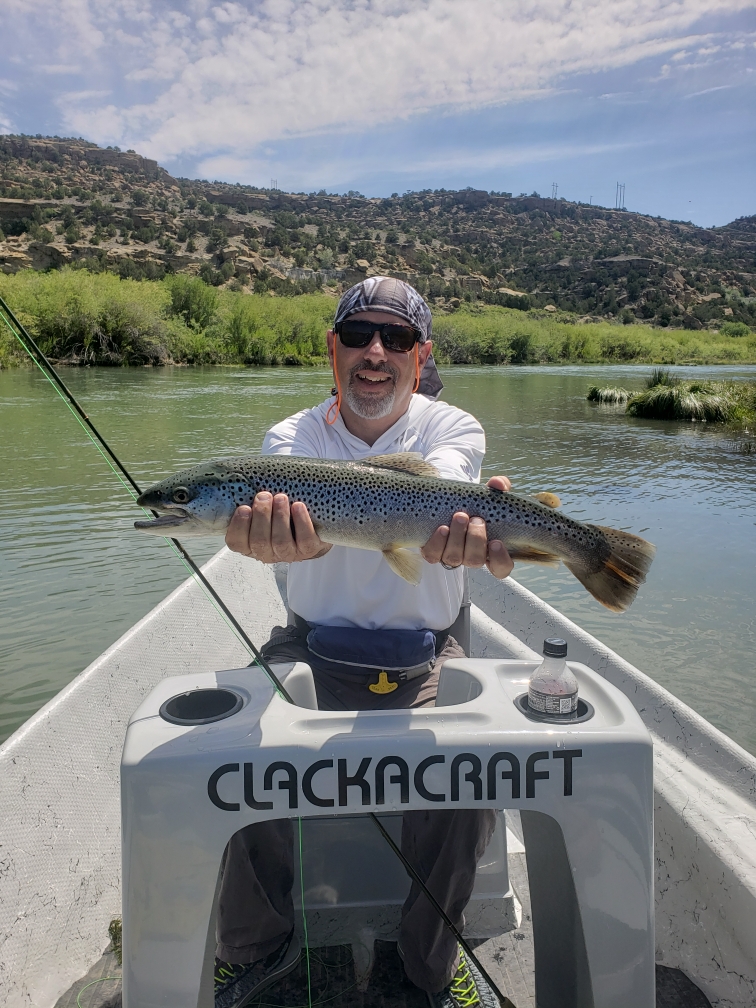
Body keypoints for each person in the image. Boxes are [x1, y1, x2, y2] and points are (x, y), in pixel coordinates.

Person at [213, 277, 514, 1008]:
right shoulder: (290, 441)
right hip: (309, 649)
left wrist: (472, 529)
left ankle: (428, 962)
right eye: (357, 337)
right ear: (333, 350)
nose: (374, 353)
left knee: (467, 773)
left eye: (396, 339)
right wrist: (283, 544)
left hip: (428, 655)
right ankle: (256, 947)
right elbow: (310, 527)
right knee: (230, 754)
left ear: (421, 355)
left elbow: (440, 493)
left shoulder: (453, 429)